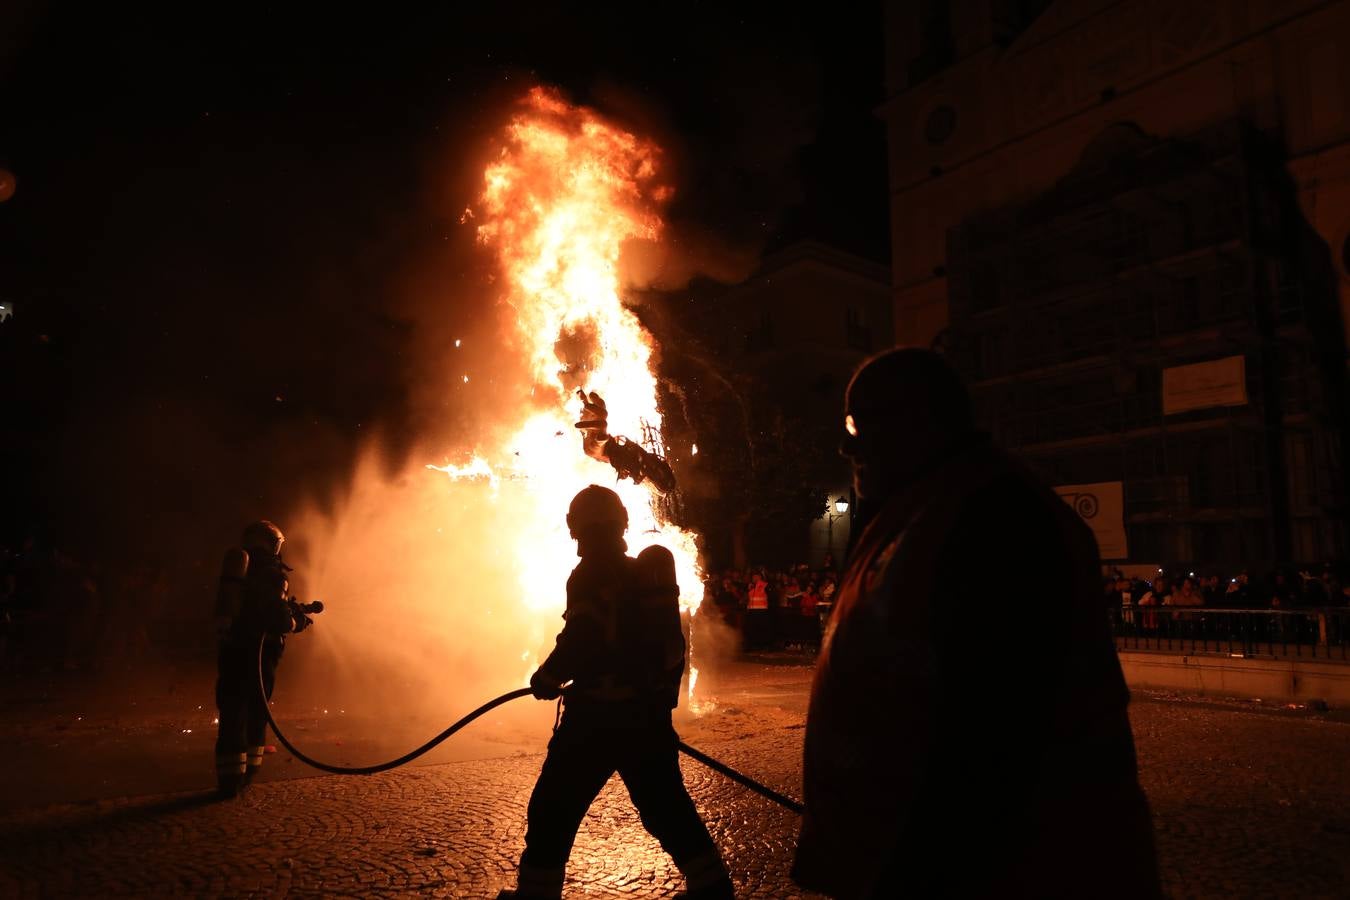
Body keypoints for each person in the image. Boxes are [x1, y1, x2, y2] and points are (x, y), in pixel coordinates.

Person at [792, 348, 1160, 899]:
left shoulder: (996, 518)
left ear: (920, 419)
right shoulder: (919, 512)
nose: (847, 444)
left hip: (1001, 869)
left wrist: (914, 869)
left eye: (860, 423)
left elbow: (997, 736)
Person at [500, 486, 733, 900]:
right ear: (622, 524)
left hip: (594, 721)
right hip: (643, 719)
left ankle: (536, 895)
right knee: (665, 808)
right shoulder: (638, 576)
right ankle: (711, 886)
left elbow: (582, 637)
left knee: (553, 808)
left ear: (578, 530)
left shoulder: (589, 574)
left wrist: (547, 677)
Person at [212, 520, 316, 799]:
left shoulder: (240, 572)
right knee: (256, 713)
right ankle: (247, 778)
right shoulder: (272, 573)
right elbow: (277, 618)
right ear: (274, 544)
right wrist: (297, 621)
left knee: (232, 712)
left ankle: (229, 780)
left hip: (232, 651)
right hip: (259, 657)